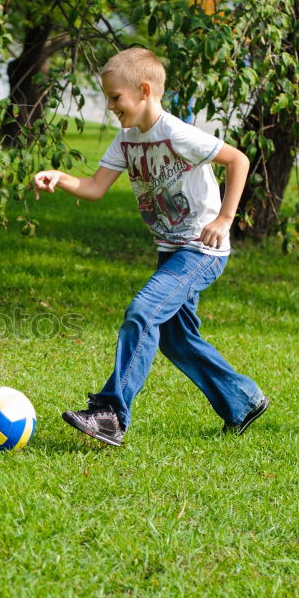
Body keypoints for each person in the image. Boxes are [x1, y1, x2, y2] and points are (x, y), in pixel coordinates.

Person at [33, 48, 269, 447]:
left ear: (143, 91)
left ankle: (110, 413)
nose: (110, 106)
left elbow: (238, 160)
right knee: (176, 339)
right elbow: (94, 187)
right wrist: (60, 177)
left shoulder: (177, 133)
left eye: (115, 97)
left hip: (201, 249)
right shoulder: (126, 140)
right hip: (170, 249)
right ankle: (242, 400)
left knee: (143, 311)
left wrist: (225, 219)